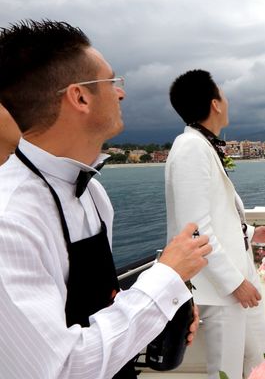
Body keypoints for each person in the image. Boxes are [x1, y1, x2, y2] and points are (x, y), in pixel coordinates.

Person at [0, 20, 212, 379]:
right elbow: (60, 368)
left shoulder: (94, 192)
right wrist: (165, 279)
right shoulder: (10, 218)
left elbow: (99, 304)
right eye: (112, 81)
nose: (121, 93)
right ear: (80, 97)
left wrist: (160, 317)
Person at [165, 69, 265, 379]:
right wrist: (234, 284)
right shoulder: (190, 148)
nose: (227, 101)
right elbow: (195, 228)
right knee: (224, 371)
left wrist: (251, 233)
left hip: (236, 282)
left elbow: (217, 214)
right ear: (215, 104)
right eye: (224, 95)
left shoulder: (201, 144)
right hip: (218, 289)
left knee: (262, 361)